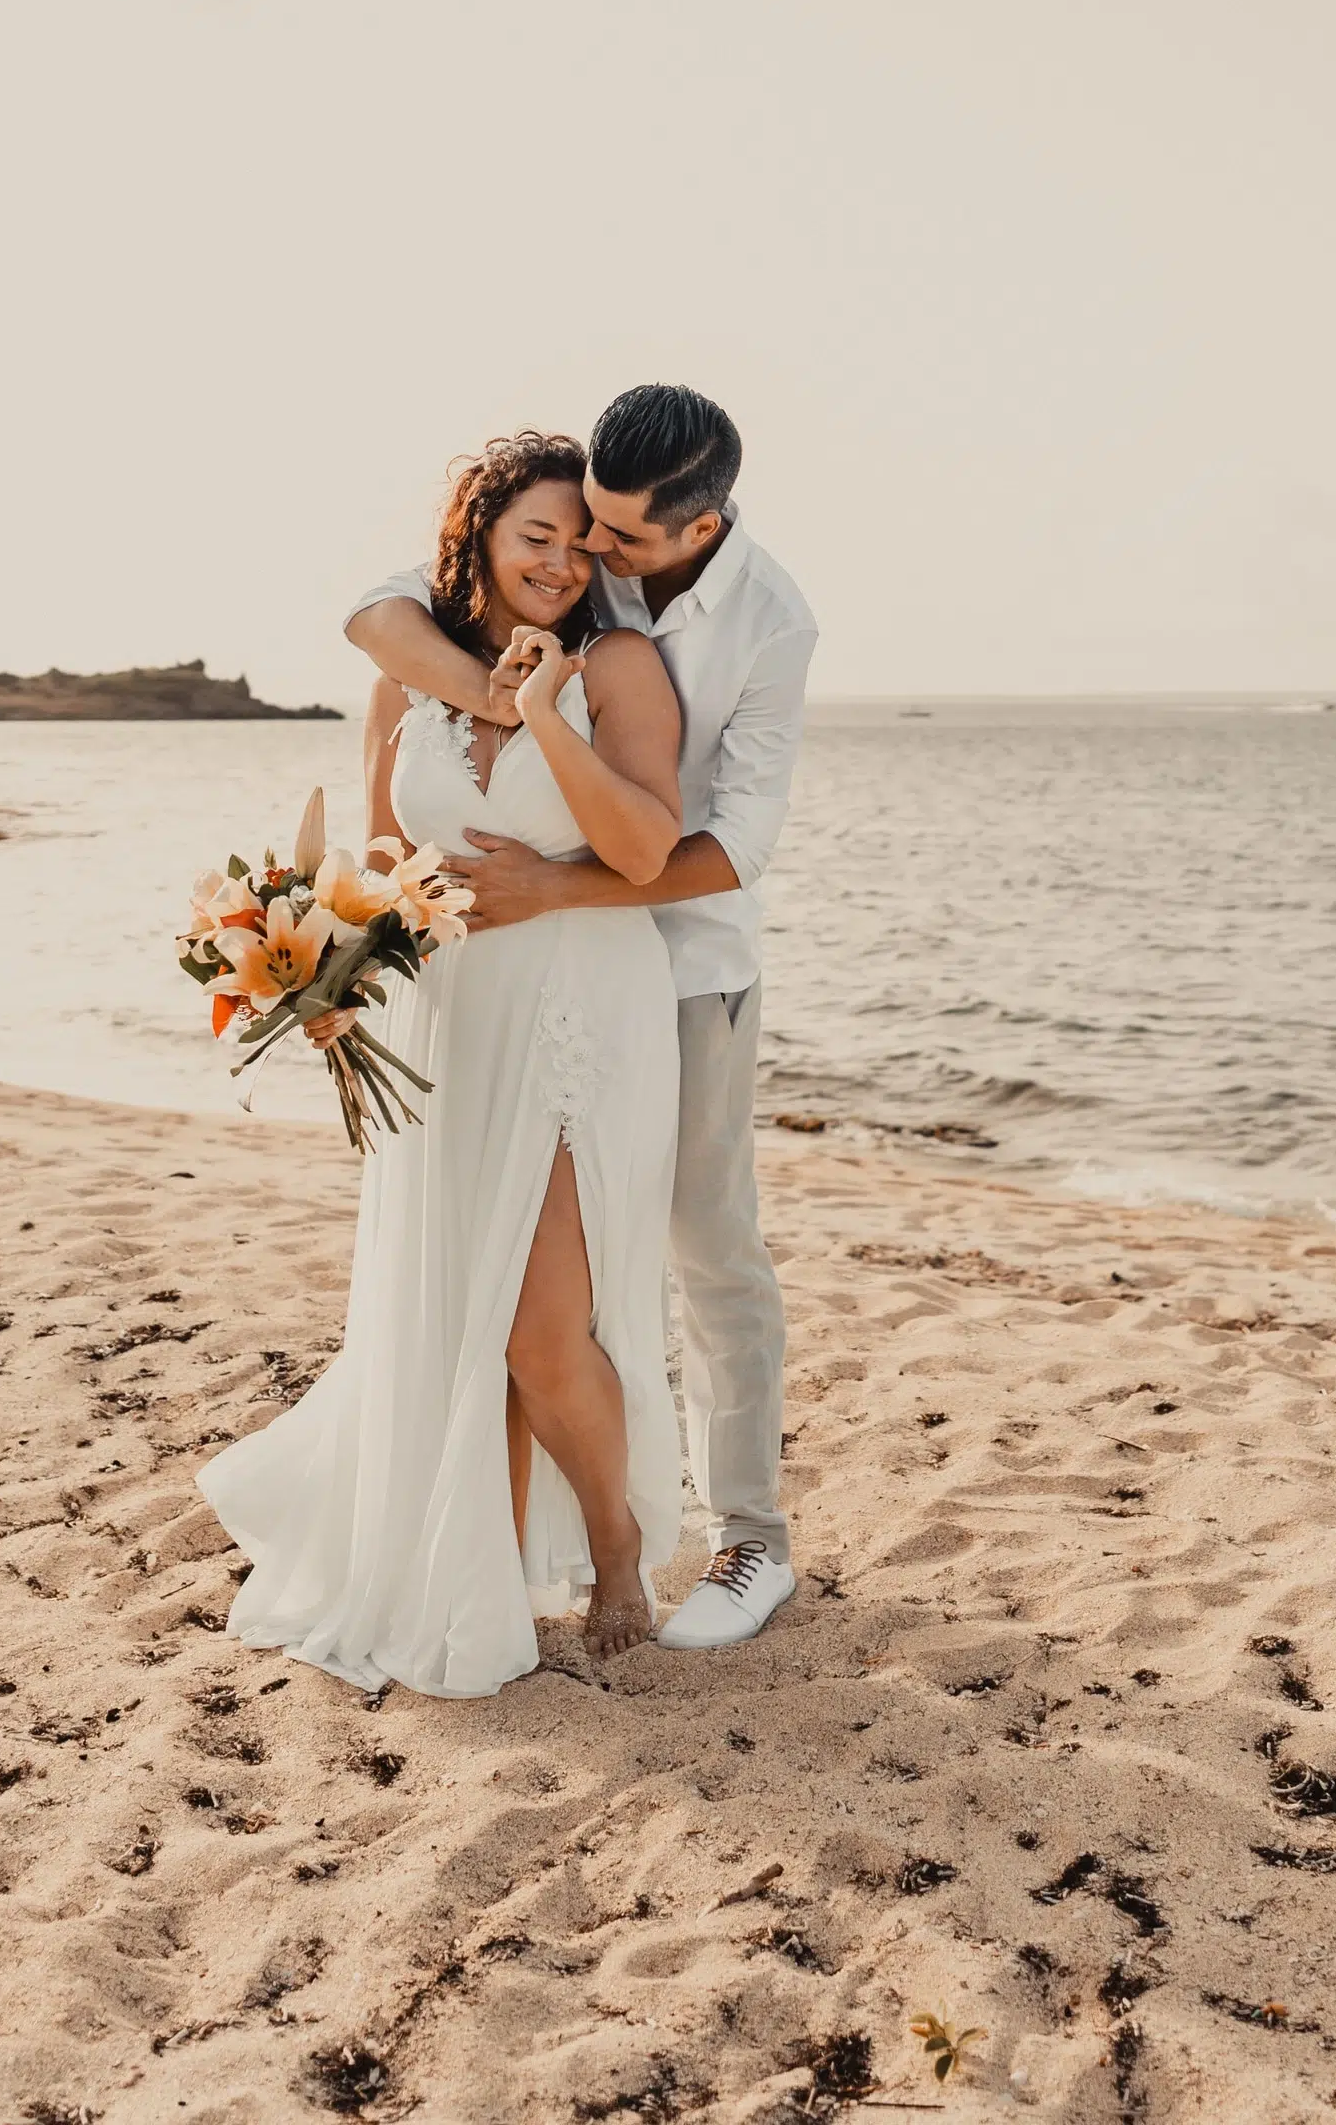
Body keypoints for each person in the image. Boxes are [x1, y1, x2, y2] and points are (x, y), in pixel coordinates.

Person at [197, 433, 686, 1696]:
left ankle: (618, 1548)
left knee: (540, 1323)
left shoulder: (619, 665)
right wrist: (326, 973)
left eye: (583, 546)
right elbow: (378, 856)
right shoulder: (406, 677)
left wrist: (537, 713)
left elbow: (643, 847)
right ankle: (487, 1571)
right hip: (444, 1018)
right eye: (537, 537)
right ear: (476, 536)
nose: (563, 565)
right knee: (462, 1304)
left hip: (582, 1005)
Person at [346, 383, 817, 1650]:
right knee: (501, 1283)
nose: (590, 556)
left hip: (675, 963)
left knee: (707, 1248)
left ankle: (747, 1542)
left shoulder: (766, 623)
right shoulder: (566, 553)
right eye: (571, 527)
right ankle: (503, 1547)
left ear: (701, 524)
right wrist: (501, 703)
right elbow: (383, 618)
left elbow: (728, 847)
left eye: (619, 538)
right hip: (483, 992)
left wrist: (553, 885)